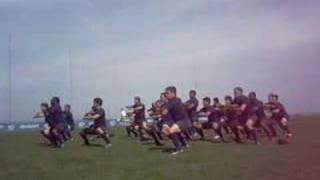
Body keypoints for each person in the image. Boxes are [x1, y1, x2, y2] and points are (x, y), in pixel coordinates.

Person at [161, 86, 191, 155]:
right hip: (177, 122)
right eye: (165, 93)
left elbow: (164, 112)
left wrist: (160, 110)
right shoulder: (175, 100)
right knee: (165, 130)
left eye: (167, 93)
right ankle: (182, 142)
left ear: (173, 93)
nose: (166, 94)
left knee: (171, 131)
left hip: (184, 122)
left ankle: (179, 148)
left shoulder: (173, 101)